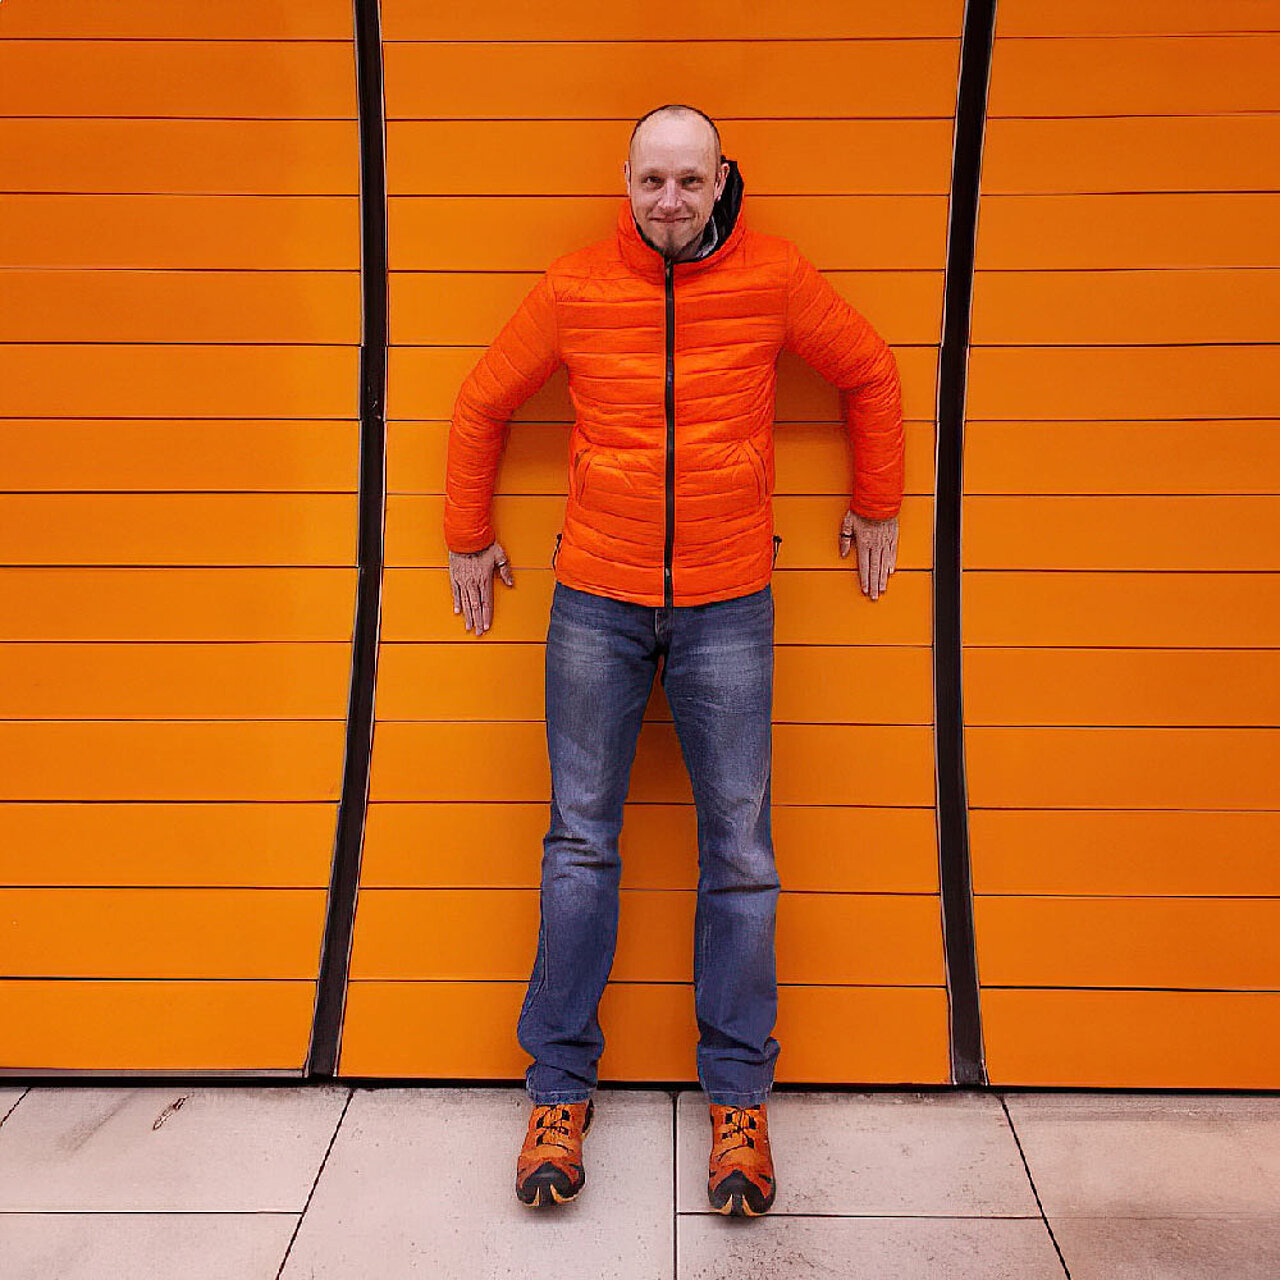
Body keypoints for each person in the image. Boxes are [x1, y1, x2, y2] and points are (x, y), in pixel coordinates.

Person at [444, 103, 903, 1217]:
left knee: (739, 853)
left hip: (728, 604)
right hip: (594, 600)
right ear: (627, 181)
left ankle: (738, 1104)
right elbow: (480, 400)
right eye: (651, 179)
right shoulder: (571, 290)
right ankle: (557, 1089)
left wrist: (875, 504)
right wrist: (467, 534)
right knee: (577, 844)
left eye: (688, 181)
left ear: (718, 180)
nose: (668, 200)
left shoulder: (774, 277)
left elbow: (870, 371)